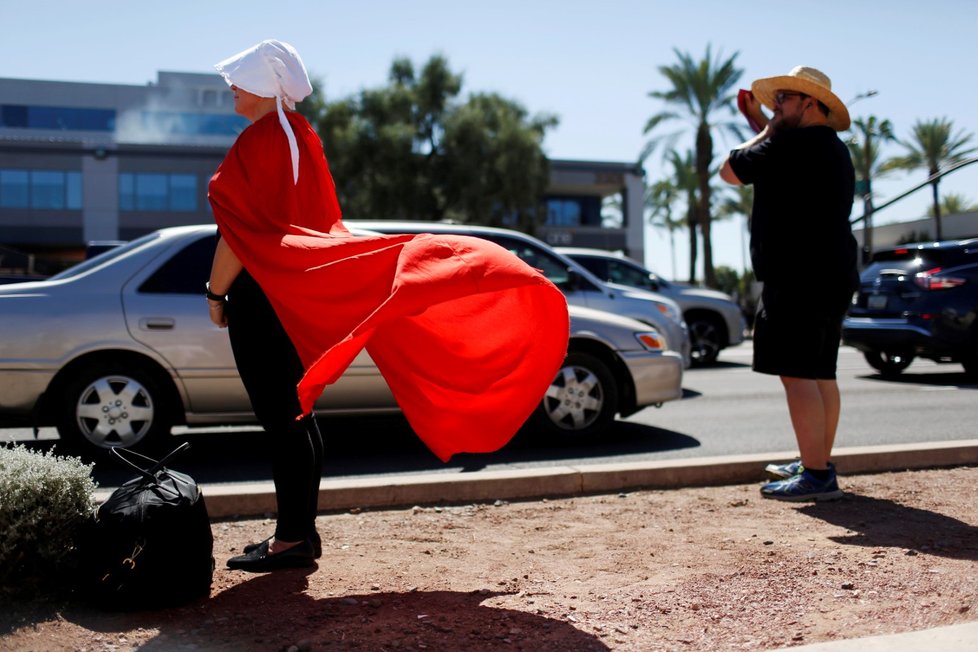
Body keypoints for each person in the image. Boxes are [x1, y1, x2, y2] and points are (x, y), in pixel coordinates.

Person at [206, 40, 569, 571]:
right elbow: (321, 222)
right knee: (296, 413)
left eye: (238, 79)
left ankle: (292, 539)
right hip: (295, 291)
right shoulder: (302, 136)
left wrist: (216, 294)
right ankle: (298, 534)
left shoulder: (258, 139)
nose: (231, 87)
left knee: (281, 417)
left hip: (265, 293)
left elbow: (237, 235)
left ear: (263, 85)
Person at [719, 66, 858, 502]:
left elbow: (730, 170)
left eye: (784, 100)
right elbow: (776, 149)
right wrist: (764, 124)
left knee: (797, 375)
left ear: (810, 104)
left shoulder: (786, 146)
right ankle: (817, 462)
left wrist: (762, 129)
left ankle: (816, 475)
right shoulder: (832, 148)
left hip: (795, 276)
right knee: (820, 373)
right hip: (831, 273)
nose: (776, 107)